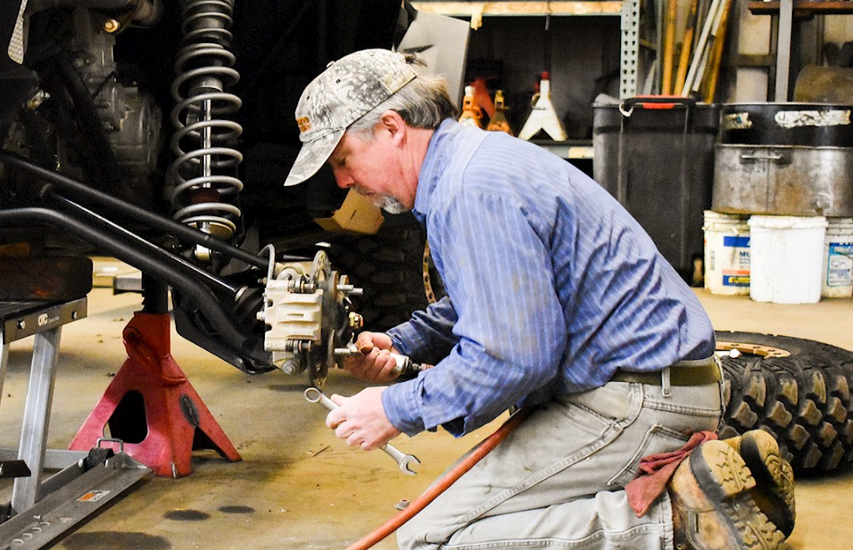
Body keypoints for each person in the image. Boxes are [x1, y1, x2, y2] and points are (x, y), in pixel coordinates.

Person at [283, 49, 795, 550]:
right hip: (638, 385)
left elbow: (513, 356)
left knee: (429, 538)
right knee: (452, 518)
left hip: (636, 399)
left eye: (344, 160)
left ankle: (676, 522)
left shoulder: (469, 191)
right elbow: (492, 295)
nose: (344, 181)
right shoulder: (470, 165)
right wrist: (401, 344)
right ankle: (680, 486)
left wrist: (394, 409)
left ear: (393, 129)